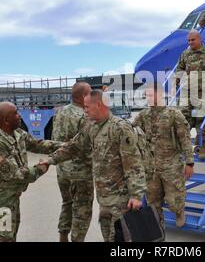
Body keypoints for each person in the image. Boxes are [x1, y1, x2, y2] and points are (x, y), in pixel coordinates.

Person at [42, 90, 147, 242]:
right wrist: (50, 160)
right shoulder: (91, 126)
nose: (84, 110)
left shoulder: (120, 128)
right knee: (108, 236)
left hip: (121, 200)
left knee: (121, 238)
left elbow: (134, 164)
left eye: (87, 107)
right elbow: (73, 147)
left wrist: (136, 195)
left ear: (99, 105)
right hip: (104, 198)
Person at [0, 102, 62, 242]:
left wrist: (66, 146)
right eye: (16, 113)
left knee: (10, 234)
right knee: (1, 237)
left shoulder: (17, 133)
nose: (19, 116)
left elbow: (37, 144)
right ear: (6, 120)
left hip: (10, 197)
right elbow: (17, 175)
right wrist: (43, 166)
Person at [133, 82, 194, 233]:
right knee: (153, 202)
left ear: (160, 94)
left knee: (174, 201)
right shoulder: (143, 115)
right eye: (146, 95)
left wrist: (189, 162)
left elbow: (185, 139)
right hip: (151, 167)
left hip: (171, 165)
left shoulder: (174, 114)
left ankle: (179, 211)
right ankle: (158, 228)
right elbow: (129, 130)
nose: (148, 98)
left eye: (150, 94)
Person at [51, 81, 93, 242]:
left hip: (62, 170)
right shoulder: (84, 116)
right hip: (80, 172)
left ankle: (63, 236)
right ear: (83, 97)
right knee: (83, 210)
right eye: (89, 93)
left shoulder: (60, 112)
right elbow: (86, 146)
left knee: (67, 203)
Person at [175, 30, 205, 161]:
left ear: (199, 39)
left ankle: (203, 146)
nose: (190, 42)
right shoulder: (185, 54)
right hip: (188, 93)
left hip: (204, 93)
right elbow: (179, 69)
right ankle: (182, 148)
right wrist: (178, 78)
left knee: (201, 121)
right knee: (181, 120)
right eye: (189, 40)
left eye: (193, 40)